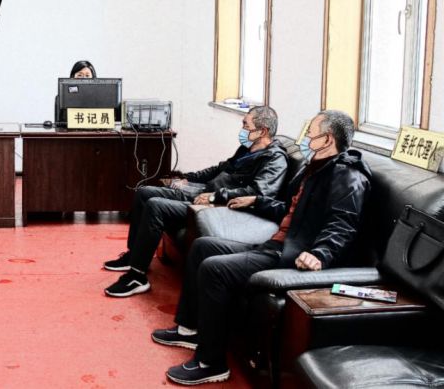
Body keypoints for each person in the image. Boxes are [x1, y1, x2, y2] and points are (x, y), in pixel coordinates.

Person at [153, 110, 371, 386]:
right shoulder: (315, 167)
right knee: (202, 247)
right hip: (277, 243)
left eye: (310, 133)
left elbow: (343, 224)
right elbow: (290, 209)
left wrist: (319, 253)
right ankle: (189, 329)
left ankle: (211, 363)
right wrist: (256, 201)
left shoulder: (347, 176)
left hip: (292, 255)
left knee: (214, 269)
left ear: (327, 139)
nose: (305, 139)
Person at [103, 106, 288, 297]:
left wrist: (216, 196)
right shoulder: (246, 149)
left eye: (245, 125)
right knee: (144, 192)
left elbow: (257, 193)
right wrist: (187, 178)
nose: (242, 129)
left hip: (221, 208)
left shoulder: (275, 159)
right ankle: (133, 256)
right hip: (204, 193)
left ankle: (137, 276)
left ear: (262, 131)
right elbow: (218, 169)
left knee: (155, 206)